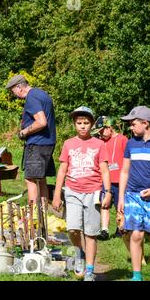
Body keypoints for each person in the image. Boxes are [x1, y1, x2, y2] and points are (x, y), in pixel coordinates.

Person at [52, 106, 111, 281]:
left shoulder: (99, 144)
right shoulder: (69, 144)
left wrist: (107, 192)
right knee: (72, 229)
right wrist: (56, 194)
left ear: (92, 125)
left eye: (86, 123)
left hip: (93, 192)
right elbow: (62, 170)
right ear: (74, 124)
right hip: (72, 191)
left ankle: (90, 270)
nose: (82, 126)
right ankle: (79, 254)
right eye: (79, 123)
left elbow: (105, 171)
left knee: (91, 233)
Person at [5, 74, 56, 204]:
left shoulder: (31, 97)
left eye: (13, 91)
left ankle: (32, 215)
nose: (14, 94)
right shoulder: (42, 93)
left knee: (30, 179)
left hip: (37, 144)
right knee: (41, 179)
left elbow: (41, 122)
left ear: (19, 87)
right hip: (47, 142)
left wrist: (24, 132)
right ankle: (42, 214)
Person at [118, 105, 150, 281]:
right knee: (136, 234)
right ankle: (137, 275)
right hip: (133, 195)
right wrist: (121, 197)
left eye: (133, 124)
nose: (130, 127)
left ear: (145, 123)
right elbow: (124, 171)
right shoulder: (131, 143)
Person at [91, 116, 128, 240]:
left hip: (120, 180)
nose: (100, 134)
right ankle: (104, 230)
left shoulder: (123, 139)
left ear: (109, 127)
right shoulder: (101, 142)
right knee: (104, 204)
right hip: (106, 180)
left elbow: (128, 159)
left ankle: (120, 228)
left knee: (120, 206)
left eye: (102, 131)